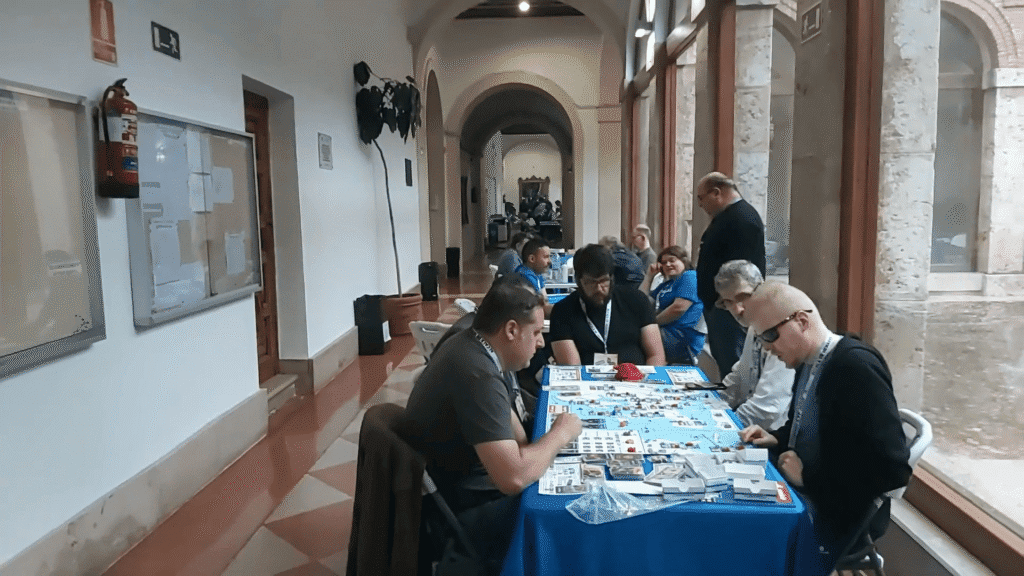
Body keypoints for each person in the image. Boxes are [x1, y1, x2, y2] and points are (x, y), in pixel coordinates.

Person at [399, 277, 582, 574]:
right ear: (511, 330)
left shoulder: (472, 339)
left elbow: (515, 426)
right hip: (464, 509)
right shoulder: (476, 374)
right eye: (535, 332)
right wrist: (559, 435)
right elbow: (513, 477)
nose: (541, 342)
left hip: (466, 487)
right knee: (572, 511)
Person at [738, 282, 911, 572]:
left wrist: (809, 478)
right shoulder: (808, 362)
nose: (767, 348)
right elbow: (808, 429)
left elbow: (891, 471)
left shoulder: (854, 367)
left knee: (740, 533)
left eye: (769, 335)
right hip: (809, 489)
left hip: (839, 512)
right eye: (759, 340)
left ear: (801, 321)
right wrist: (776, 438)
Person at [694, 172, 767, 379]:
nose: (700, 205)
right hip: (720, 305)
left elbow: (743, 271)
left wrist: (726, 301)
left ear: (716, 193)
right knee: (726, 364)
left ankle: (736, 409)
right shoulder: (727, 217)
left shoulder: (742, 218)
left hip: (730, 309)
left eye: (701, 198)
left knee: (735, 366)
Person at [549, 244, 666, 366]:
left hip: (637, 379)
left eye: (604, 281)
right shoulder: (562, 311)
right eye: (591, 282)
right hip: (587, 381)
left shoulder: (637, 300)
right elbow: (571, 367)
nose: (599, 288)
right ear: (578, 281)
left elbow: (656, 355)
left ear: (612, 278)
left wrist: (648, 382)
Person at [713, 260, 794, 430]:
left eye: (743, 297)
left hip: (777, 436)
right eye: (728, 301)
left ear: (761, 289)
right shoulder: (754, 325)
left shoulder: (781, 328)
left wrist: (721, 427)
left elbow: (767, 408)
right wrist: (709, 400)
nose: (736, 309)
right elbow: (741, 375)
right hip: (754, 428)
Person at [639, 246, 704, 365]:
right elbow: (639, 300)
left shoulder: (690, 276)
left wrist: (651, 324)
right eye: (664, 262)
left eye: (672, 260)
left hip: (682, 336)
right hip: (666, 332)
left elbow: (679, 308)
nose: (668, 264)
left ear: (683, 261)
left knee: (635, 338)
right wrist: (649, 277)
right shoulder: (667, 285)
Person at [512, 238, 553, 316]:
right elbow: (543, 309)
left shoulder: (537, 273)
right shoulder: (524, 277)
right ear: (532, 259)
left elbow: (545, 300)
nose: (549, 261)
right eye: (546, 257)